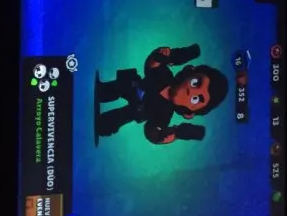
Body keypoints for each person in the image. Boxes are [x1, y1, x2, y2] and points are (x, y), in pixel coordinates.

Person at [95, 43, 229, 144]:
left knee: (122, 116)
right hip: (133, 86)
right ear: (189, 72)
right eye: (195, 83)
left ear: (189, 113)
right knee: (122, 85)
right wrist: (161, 57)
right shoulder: (165, 76)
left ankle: (105, 124)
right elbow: (151, 66)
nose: (190, 92)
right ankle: (104, 91)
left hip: (136, 110)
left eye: (196, 99)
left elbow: (151, 131)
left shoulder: (165, 114)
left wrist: (166, 136)